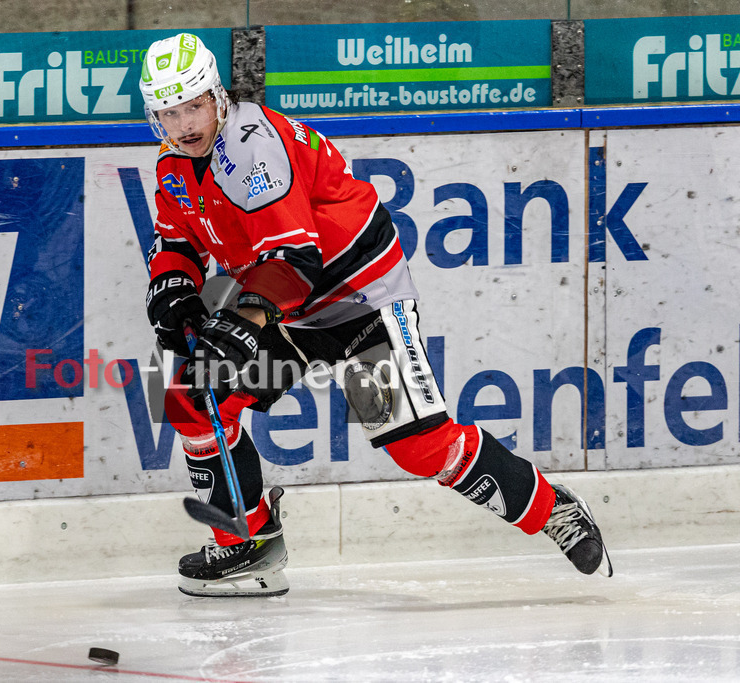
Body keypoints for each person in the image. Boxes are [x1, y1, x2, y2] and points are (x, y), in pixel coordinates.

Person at [139, 33, 612, 597]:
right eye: (170, 112)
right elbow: (178, 241)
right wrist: (172, 286)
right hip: (287, 309)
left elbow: (292, 260)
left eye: (193, 106)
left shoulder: (250, 148)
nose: (185, 123)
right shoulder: (175, 162)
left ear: (218, 98)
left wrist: (239, 326)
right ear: (155, 116)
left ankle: (550, 508)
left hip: (358, 301)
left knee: (420, 447)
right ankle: (246, 542)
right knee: (194, 392)